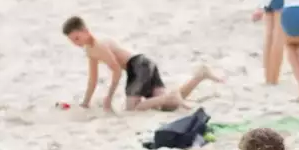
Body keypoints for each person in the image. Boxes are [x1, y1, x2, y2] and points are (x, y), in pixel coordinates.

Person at [62, 16, 223, 113]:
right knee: (167, 106)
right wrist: (85, 102)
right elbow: (93, 79)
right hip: (145, 63)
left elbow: (117, 71)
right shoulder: (90, 50)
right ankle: (199, 76)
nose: (76, 43)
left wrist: (109, 97)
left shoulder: (99, 45)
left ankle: (171, 95)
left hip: (137, 66)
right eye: (72, 41)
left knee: (132, 108)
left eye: (77, 38)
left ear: (85, 30)